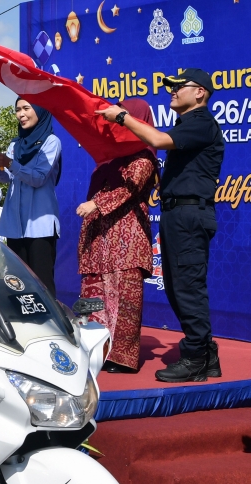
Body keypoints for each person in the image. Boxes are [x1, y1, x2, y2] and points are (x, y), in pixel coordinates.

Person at [98, 69, 223, 382]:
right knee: (177, 288)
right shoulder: (188, 124)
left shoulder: (201, 121)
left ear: (200, 93)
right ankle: (206, 355)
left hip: (189, 216)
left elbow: (156, 139)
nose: (173, 91)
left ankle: (196, 357)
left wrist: (123, 116)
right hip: (177, 215)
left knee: (187, 288)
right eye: (171, 86)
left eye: (180, 87)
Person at [76, 99, 158, 373]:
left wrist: (97, 204)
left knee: (124, 298)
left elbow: (130, 189)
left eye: (123, 117)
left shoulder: (144, 155)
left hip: (127, 235)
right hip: (101, 235)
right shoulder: (109, 157)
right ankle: (97, 349)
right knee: (98, 293)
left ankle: (122, 357)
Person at [0, 98, 62, 294]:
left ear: (40, 110)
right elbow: (7, 179)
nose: (21, 114)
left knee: (42, 283)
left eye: (26, 108)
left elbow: (38, 177)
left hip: (40, 224)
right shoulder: (15, 144)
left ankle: (49, 323)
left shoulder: (51, 142)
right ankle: (24, 322)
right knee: (18, 282)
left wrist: (10, 163)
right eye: (17, 110)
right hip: (15, 225)